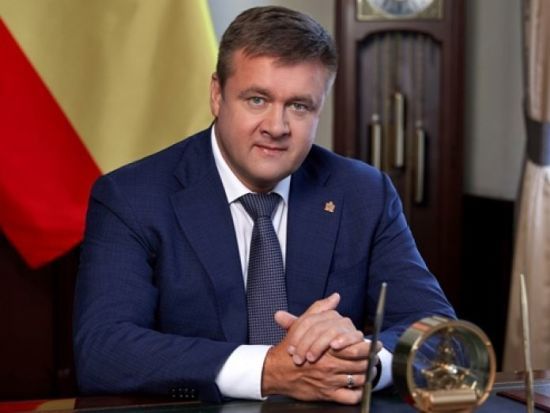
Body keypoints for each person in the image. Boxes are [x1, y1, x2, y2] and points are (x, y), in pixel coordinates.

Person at [73, 5, 455, 405]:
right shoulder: (132, 197)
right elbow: (103, 350)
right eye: (257, 100)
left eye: (299, 106)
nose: (276, 127)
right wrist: (269, 370)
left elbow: (437, 329)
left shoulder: (362, 193)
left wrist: (364, 362)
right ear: (217, 95)